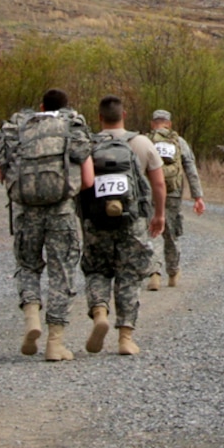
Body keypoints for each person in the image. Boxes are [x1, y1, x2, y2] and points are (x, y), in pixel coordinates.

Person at [0, 90, 94, 361]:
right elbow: (87, 173)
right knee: (62, 272)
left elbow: (0, 168)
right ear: (65, 107)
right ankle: (55, 342)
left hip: (25, 212)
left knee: (28, 266)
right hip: (61, 212)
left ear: (40, 106)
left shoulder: (19, 128)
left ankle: (31, 315)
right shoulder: (71, 127)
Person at [81, 95, 165, 356]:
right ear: (124, 115)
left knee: (97, 270)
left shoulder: (88, 145)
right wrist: (159, 215)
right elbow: (159, 184)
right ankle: (125, 338)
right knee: (128, 275)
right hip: (132, 222)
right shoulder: (141, 142)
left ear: (99, 117)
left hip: (95, 222)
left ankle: (100, 311)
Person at [142, 109, 205, 289]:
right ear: (169, 124)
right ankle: (173, 272)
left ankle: (154, 272)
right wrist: (197, 196)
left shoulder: (145, 140)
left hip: (150, 191)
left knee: (151, 231)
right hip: (173, 193)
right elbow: (190, 169)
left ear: (152, 123)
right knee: (171, 233)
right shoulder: (179, 142)